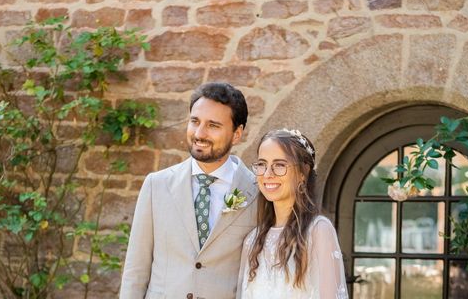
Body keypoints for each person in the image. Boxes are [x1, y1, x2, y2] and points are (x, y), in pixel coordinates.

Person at [120, 82, 258, 299]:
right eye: (195, 121)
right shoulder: (156, 185)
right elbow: (136, 270)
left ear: (237, 134)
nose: (200, 133)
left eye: (213, 125)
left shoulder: (256, 192)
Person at [237, 129, 348, 298]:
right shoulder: (252, 241)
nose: (267, 174)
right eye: (262, 164)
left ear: (303, 173)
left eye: (279, 165)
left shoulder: (318, 231)